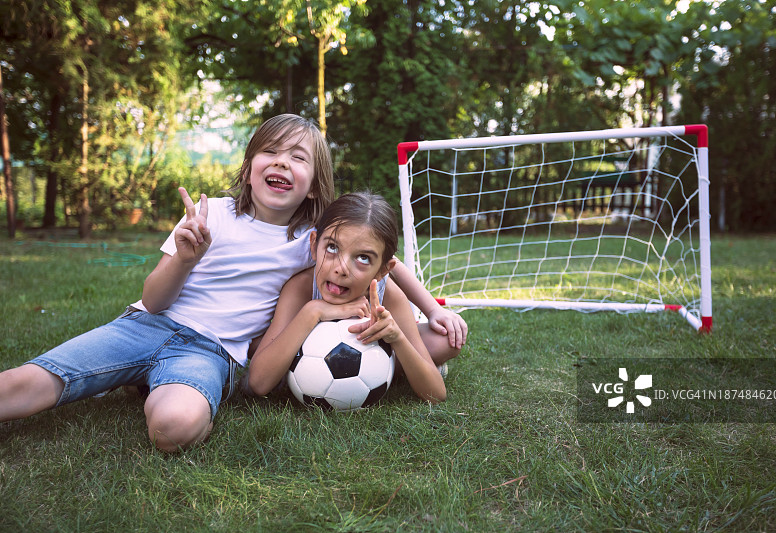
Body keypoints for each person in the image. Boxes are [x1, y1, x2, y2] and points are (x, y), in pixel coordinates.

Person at [0, 114, 465, 451]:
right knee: (27, 381)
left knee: (173, 428)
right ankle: (125, 373)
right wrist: (184, 258)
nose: (281, 163)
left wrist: (435, 307)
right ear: (249, 166)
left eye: (297, 157)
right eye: (271, 152)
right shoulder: (210, 216)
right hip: (145, 324)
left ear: (315, 185)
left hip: (210, 351)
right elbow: (153, 298)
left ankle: (144, 385)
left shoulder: (316, 236)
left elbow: (387, 260)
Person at [241, 191, 458, 403]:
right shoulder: (301, 288)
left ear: (383, 270)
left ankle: (390, 367)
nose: (341, 269)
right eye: (333, 247)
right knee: (260, 346)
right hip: (303, 346)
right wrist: (313, 311)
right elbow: (258, 383)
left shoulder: (389, 295)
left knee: (443, 341)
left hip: (383, 350)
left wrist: (397, 337)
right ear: (315, 244)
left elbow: (437, 394)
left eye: (363, 258)